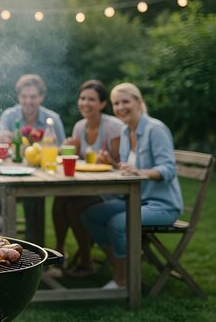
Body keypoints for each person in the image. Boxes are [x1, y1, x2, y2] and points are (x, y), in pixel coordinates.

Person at [82, 82, 182, 289]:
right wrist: (111, 163)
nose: (120, 107)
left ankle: (124, 279)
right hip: (135, 200)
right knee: (89, 215)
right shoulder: (126, 131)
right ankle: (122, 266)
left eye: (125, 101)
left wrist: (141, 173)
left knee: (118, 223)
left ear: (139, 102)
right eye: (116, 103)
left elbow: (169, 169)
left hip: (162, 206)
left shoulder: (156, 129)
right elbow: (129, 169)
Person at [53, 80, 123, 277]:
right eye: (82, 98)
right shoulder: (79, 127)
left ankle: (86, 261)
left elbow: (123, 165)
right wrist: (69, 149)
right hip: (87, 186)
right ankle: (59, 254)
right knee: (60, 201)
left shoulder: (113, 127)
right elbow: (77, 161)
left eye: (91, 99)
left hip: (114, 192)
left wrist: (111, 162)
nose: (85, 103)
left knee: (74, 207)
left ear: (102, 104)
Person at [0, 74, 65, 244]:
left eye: (33, 97)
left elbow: (61, 150)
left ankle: (34, 248)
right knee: (3, 190)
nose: (28, 101)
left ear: (41, 96)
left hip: (40, 177)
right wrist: (2, 139)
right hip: (12, 173)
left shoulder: (52, 119)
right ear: (18, 97)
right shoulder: (9, 116)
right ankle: (0, 243)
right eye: (24, 97)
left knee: (35, 197)